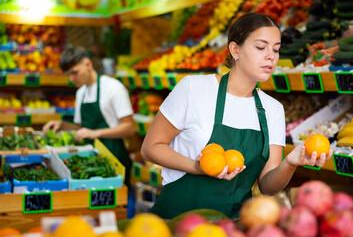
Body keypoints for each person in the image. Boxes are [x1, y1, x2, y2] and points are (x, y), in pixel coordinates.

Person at [140, 13, 333, 219]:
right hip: (177, 219)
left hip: (235, 224)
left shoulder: (273, 109)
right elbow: (150, 148)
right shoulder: (193, 88)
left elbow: (268, 186)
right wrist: (198, 168)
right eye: (261, 47)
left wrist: (291, 163)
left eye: (276, 49)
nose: (271, 56)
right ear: (235, 50)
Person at [43, 45, 136, 186]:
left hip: (114, 159)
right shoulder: (81, 93)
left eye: (75, 72)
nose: (72, 79)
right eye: (68, 74)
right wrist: (62, 125)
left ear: (88, 64)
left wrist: (95, 133)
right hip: (91, 162)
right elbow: (83, 128)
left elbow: (130, 128)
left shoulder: (113, 87)